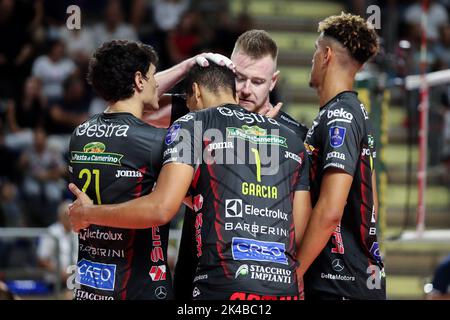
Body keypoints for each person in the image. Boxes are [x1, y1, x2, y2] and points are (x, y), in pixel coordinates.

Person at [68, 61, 312, 300]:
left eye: (187, 102)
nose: (188, 107)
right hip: (283, 286)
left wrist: (89, 213)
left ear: (195, 91)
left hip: (222, 283)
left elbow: (161, 208)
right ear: (234, 92)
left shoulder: (191, 124)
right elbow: (298, 230)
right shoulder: (291, 139)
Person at [68, 40, 173, 300]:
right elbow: (168, 206)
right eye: (152, 76)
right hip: (140, 287)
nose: (157, 83)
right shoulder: (156, 140)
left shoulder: (79, 134)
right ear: (139, 80)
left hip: (91, 286)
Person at [296, 13, 386, 300]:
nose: (312, 59)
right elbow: (374, 200)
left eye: (314, 50)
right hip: (351, 282)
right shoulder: (349, 111)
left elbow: (331, 210)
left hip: (338, 283)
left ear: (326, 55)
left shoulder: (340, 116)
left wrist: (294, 272)